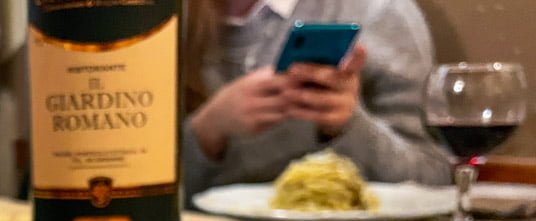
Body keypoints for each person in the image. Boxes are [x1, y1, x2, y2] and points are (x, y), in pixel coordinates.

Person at [183, 0, 451, 199]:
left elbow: (433, 176)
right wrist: (207, 130)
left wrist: (347, 126)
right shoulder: (158, 15)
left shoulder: (377, 12)